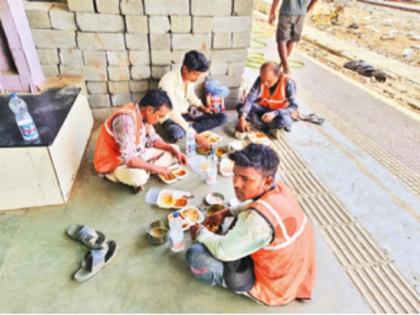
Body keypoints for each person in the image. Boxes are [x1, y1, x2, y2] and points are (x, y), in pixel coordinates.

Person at [186, 144, 316, 306]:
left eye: (245, 179)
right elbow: (258, 204)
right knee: (238, 220)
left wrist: (200, 232)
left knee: (196, 255)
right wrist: (225, 212)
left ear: (267, 181)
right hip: (293, 274)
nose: (236, 184)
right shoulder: (280, 189)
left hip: (273, 288)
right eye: (235, 175)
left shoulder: (256, 221)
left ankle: (244, 287)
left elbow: (223, 251)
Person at [93, 89, 187, 193]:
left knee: (174, 149)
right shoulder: (125, 121)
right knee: (138, 177)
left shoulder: (144, 114)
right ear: (150, 110)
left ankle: (146, 167)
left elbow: (153, 139)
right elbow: (130, 159)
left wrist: (172, 149)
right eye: (160, 116)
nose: (160, 120)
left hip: (138, 152)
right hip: (116, 162)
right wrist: (158, 169)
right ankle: (116, 174)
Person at [159, 50, 228, 149]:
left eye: (199, 75)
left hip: (187, 114)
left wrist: (202, 107)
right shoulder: (167, 81)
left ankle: (187, 128)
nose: (197, 78)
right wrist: (194, 135)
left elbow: (191, 95)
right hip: (171, 118)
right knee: (176, 133)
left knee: (223, 117)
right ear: (185, 68)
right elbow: (172, 112)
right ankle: (188, 128)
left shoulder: (189, 78)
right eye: (196, 74)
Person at [236, 62, 299, 136]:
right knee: (240, 107)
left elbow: (294, 106)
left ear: (278, 76)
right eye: (263, 80)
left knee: (285, 121)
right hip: (263, 108)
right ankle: (268, 128)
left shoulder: (288, 82)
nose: (265, 83)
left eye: (269, 81)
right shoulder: (260, 79)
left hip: (279, 113)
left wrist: (275, 113)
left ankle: (261, 125)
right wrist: (242, 118)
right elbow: (250, 98)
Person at [269, 0, 318, 74]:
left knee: (282, 40)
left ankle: (285, 67)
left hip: (287, 11)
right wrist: (308, 9)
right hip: (301, 14)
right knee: (292, 40)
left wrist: (272, 11)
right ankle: (282, 66)